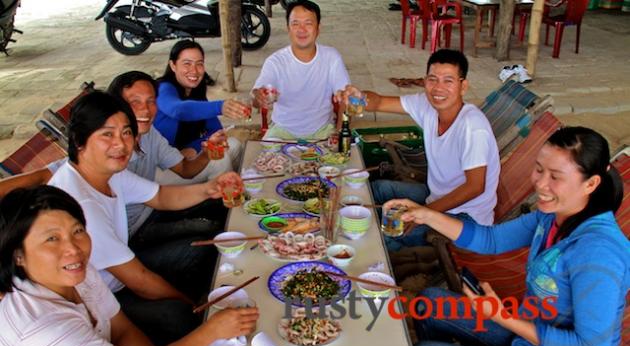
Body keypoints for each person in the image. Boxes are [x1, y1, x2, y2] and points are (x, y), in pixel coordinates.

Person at [384, 126, 629, 346]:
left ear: (591, 183)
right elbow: (490, 239)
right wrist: (426, 215)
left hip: (542, 345)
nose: (540, 184)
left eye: (555, 177)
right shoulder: (551, 218)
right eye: (539, 169)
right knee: (429, 302)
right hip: (524, 334)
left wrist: (501, 316)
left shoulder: (599, 253)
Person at [47, 90, 244, 346]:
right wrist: (194, 306)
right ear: (80, 141)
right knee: (179, 315)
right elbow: (139, 280)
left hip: (121, 273)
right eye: (107, 134)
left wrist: (210, 189)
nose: (121, 144)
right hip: (100, 300)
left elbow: (160, 196)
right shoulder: (81, 203)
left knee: (202, 250)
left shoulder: (107, 170)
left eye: (126, 132)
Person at [0, 185, 258, 346]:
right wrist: (210, 331)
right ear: (17, 255)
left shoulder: (78, 272)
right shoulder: (45, 331)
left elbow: (122, 329)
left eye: (77, 230)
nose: (73, 248)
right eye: (51, 239)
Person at [0, 71, 228, 253]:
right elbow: (42, 176)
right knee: (207, 233)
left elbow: (180, 176)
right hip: (129, 234)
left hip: (153, 208)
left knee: (220, 207)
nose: (145, 110)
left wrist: (207, 155)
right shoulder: (99, 158)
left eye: (151, 101)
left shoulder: (149, 136)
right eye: (134, 102)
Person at [337, 49, 500, 253]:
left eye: (448, 81)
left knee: (384, 233)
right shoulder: (427, 105)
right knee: (377, 189)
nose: (438, 88)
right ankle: (349, 225)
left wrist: (424, 212)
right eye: (433, 79)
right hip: (436, 196)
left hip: (465, 218)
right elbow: (378, 102)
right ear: (425, 81)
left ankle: (382, 258)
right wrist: (359, 97)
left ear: (463, 86)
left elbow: (475, 186)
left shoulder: (473, 127)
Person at [251, 0, 351, 140]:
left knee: (337, 160)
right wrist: (259, 97)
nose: (301, 30)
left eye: (308, 23)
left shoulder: (331, 57)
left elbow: (346, 99)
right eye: (295, 23)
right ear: (288, 28)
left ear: (318, 28)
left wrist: (340, 134)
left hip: (323, 131)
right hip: (282, 132)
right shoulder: (275, 62)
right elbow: (256, 97)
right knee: (266, 159)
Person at [154, 39, 246, 167]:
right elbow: (178, 110)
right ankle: (220, 185)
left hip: (186, 157)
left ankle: (232, 183)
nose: (195, 70)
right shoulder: (163, 88)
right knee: (220, 161)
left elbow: (216, 131)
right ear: (173, 65)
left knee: (234, 144)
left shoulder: (196, 90)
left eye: (199, 64)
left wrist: (194, 147)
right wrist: (220, 106)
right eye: (187, 64)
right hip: (161, 163)